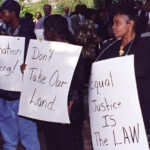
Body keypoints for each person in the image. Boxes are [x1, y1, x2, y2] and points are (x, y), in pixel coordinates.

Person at [96, 6, 150, 146]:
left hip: (140, 111)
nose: (113, 27)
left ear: (130, 24)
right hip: (116, 112)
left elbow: (141, 70)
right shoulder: (110, 46)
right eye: (113, 23)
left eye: (117, 23)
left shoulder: (144, 45)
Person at [0, 1, 41, 150]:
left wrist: (27, 66)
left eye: (3, 12)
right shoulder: (2, 33)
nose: (1, 15)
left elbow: (36, 61)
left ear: (12, 13)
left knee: (29, 138)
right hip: (4, 94)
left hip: (21, 95)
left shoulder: (27, 34)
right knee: (8, 140)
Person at [43, 14, 84, 150]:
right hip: (49, 107)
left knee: (67, 142)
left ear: (53, 30)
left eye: (46, 29)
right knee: (52, 142)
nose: (44, 33)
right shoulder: (45, 51)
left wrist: (70, 105)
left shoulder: (72, 51)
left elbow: (77, 82)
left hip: (67, 107)